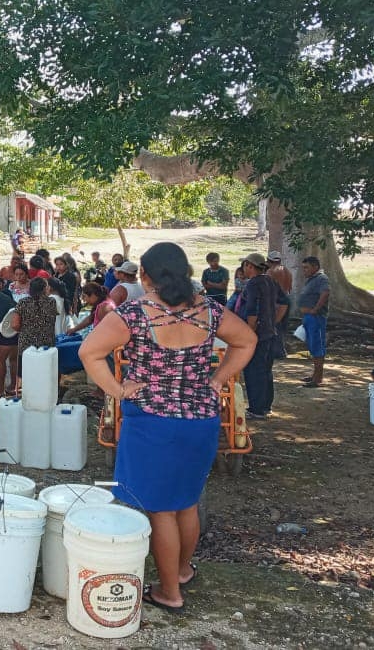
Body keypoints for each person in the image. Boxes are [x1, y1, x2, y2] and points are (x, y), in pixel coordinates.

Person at [78, 242, 255, 614]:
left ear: (145, 277)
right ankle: (183, 570)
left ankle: (170, 591)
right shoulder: (208, 309)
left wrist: (117, 390)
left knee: (160, 510)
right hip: (199, 420)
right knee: (187, 502)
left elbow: (88, 352)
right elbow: (247, 340)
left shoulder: (133, 314)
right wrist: (218, 378)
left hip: (152, 422)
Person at [239, 253, 288, 419]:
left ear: (250, 266)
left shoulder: (253, 284)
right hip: (269, 332)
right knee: (266, 370)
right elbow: (284, 302)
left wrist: (249, 334)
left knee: (254, 371)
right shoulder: (270, 281)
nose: (243, 269)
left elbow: (252, 310)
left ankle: (256, 409)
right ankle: (266, 405)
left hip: (257, 334)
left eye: (245, 265)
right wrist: (273, 321)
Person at [297, 256, 331, 388]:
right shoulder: (311, 279)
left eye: (306, 267)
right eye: (303, 268)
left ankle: (317, 379)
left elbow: (325, 293)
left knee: (317, 347)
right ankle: (315, 375)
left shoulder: (322, 278)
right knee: (312, 346)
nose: (304, 270)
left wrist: (316, 309)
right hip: (309, 317)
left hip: (316, 318)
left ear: (315, 267)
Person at [10, 277, 58, 365]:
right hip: (46, 344)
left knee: (25, 373)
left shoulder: (22, 302)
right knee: (45, 371)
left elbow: (14, 325)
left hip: (26, 345)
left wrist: (25, 330)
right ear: (44, 289)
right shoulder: (52, 302)